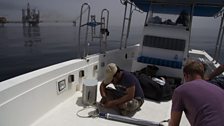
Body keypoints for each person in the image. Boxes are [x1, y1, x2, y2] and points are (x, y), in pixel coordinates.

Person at [169, 61, 224, 126]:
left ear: (186, 75)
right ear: (202, 75)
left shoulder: (180, 90)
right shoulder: (220, 90)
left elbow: (174, 124)